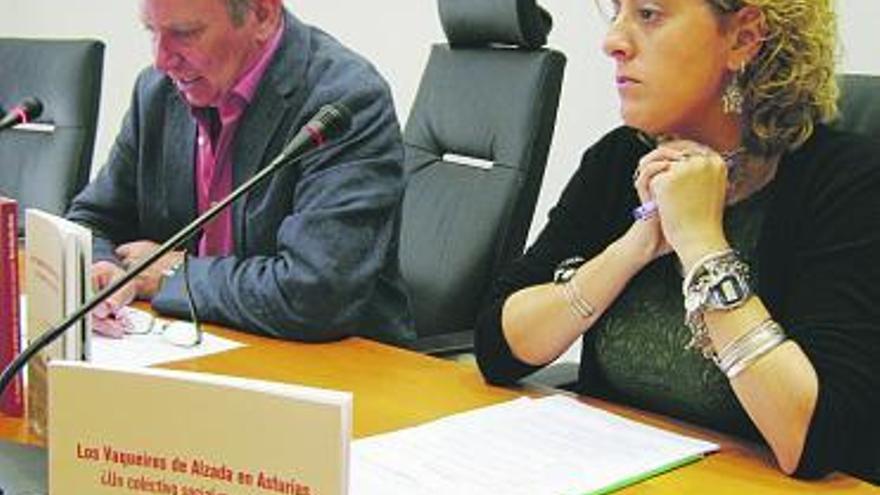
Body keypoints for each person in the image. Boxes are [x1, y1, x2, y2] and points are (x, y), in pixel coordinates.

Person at [475, 0, 879, 482]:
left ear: (743, 38)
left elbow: (813, 439)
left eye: (648, 14)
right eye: (618, 12)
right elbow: (498, 345)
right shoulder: (618, 159)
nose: (613, 42)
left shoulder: (848, 183)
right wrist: (634, 247)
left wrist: (701, 242)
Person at [66, 0, 413, 345]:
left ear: (262, 14)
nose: (161, 60)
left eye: (184, 33)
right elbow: (89, 220)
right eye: (151, 31)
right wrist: (103, 270)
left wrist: (173, 276)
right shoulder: (156, 91)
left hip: (335, 370)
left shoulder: (342, 100)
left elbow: (315, 294)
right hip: (192, 347)